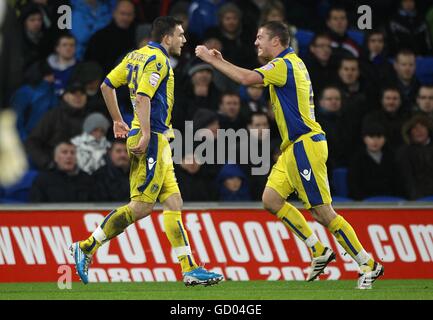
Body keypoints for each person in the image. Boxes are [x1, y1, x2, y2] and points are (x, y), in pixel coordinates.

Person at [196, 20, 384, 289]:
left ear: (276, 41)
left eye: (260, 37)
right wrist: (224, 60)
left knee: (322, 212)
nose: (256, 42)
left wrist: (210, 59)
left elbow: (247, 79)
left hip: (306, 144)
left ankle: (367, 263)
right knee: (271, 199)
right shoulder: (291, 64)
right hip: (292, 148)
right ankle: (318, 250)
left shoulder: (283, 65)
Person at [70, 16, 223, 286]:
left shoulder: (134, 56)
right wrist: (144, 134)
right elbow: (143, 97)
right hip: (150, 139)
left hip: (157, 139)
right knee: (140, 207)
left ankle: (189, 268)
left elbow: (107, 85)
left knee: (174, 202)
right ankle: (85, 247)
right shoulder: (158, 60)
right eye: (180, 35)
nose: (184, 40)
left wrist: (118, 120)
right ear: (167, 38)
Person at [25, 82, 88, 170]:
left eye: (82, 94)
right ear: (65, 97)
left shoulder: (90, 119)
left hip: (81, 172)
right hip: (52, 171)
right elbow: (32, 142)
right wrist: (47, 163)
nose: (78, 97)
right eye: (74, 94)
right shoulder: (53, 116)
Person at [348, 123, 400, 200]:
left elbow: (398, 183)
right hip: (364, 202)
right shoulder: (357, 159)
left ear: (385, 139)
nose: (375, 141)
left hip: (390, 201)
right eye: (371, 137)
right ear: (364, 138)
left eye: (379, 137)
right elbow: (354, 185)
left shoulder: (392, 157)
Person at [29, 141, 95, 202]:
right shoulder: (43, 180)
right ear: (56, 158)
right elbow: (36, 207)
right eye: (64, 152)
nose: (69, 156)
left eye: (72, 153)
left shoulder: (87, 179)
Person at [396, 115, 433, 200]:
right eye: (415, 128)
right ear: (409, 132)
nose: (419, 131)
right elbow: (407, 179)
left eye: (422, 127)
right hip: (416, 199)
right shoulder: (404, 152)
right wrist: (416, 198)